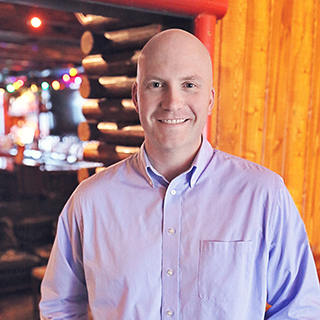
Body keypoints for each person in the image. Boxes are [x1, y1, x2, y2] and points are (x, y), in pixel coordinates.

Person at [39, 29, 320, 319]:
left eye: (189, 85)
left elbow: (300, 307)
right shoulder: (90, 201)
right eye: (157, 84)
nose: (172, 102)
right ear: (137, 97)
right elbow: (58, 306)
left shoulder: (264, 195)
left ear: (210, 99)